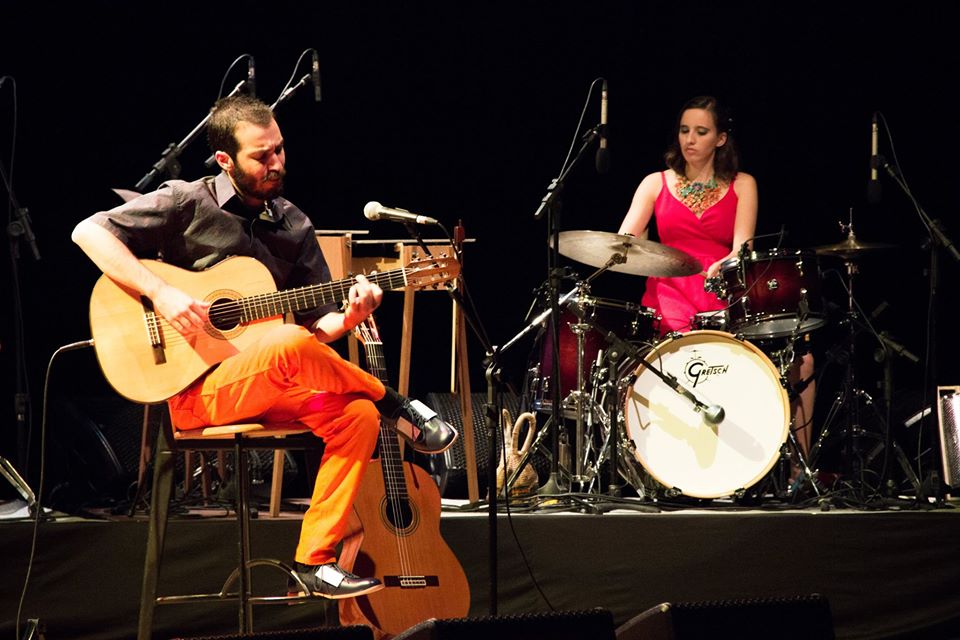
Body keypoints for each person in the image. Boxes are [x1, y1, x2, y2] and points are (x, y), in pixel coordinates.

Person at [71, 95, 457, 599]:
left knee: (356, 414)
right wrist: (161, 293)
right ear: (225, 160)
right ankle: (395, 403)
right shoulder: (187, 201)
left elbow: (317, 331)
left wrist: (350, 317)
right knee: (290, 342)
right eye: (261, 156)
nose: (276, 163)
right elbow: (87, 231)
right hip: (196, 392)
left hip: (269, 384)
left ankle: (314, 560)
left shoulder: (294, 224)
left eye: (279, 150)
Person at [617, 95, 814, 479]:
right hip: (668, 295)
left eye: (701, 132)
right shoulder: (655, 183)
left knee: (797, 358)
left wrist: (724, 264)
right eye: (684, 130)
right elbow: (626, 239)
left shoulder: (743, 184)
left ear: (721, 139)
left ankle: (790, 468)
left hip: (720, 295)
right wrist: (631, 244)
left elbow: (743, 248)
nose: (689, 139)